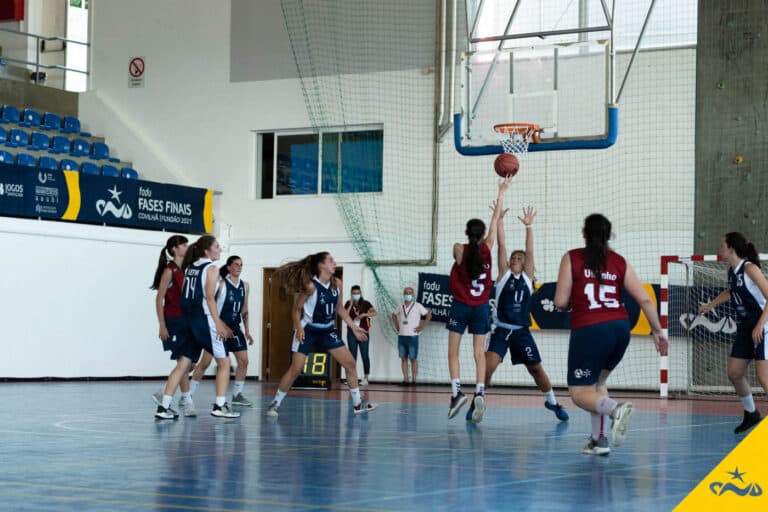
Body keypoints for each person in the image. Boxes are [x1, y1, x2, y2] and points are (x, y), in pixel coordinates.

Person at [554, 214, 667, 455]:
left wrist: (573, 300)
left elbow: (560, 301)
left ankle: (616, 409)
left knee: (579, 393)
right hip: (620, 329)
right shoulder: (619, 262)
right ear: (608, 235)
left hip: (590, 330)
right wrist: (658, 331)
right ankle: (599, 440)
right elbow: (645, 299)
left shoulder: (572, 257)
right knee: (598, 383)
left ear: (584, 234)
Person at [265, 252, 378, 417]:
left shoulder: (337, 283)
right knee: (295, 370)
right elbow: (296, 310)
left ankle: (357, 404)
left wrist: (353, 327)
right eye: (330, 260)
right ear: (321, 265)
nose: (334, 263)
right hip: (308, 329)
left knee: (350, 364)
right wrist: (299, 328)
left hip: (327, 330)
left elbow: (339, 308)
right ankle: (275, 403)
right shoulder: (311, 286)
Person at [485, 205, 568, 422]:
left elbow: (530, 252)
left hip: (521, 332)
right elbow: (502, 245)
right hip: (501, 330)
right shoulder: (503, 276)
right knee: (488, 366)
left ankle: (552, 402)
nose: (515, 259)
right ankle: (479, 399)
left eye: (520, 258)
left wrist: (529, 227)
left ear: (525, 265)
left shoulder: (527, 279)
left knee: (536, 369)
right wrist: (499, 220)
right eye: (513, 258)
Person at [447, 176, 511, 423]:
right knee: (479, 352)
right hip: (481, 307)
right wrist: (501, 192)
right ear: (482, 234)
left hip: (461, 306)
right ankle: (480, 391)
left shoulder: (459, 248)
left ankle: (456, 393)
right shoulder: (487, 248)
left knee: (453, 352)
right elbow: (494, 225)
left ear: (466, 233)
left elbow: (460, 254)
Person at [154, 235, 240, 420]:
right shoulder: (211, 268)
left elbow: (186, 297)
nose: (220, 249)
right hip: (204, 321)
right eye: (217, 246)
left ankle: (163, 407)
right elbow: (209, 299)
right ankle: (220, 405)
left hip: (189, 321)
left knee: (183, 364)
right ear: (207, 251)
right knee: (224, 362)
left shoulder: (190, 267)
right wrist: (218, 323)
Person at [698, 232, 768, 434]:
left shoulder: (750, 269)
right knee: (735, 373)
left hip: (763, 324)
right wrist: (710, 305)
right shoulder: (731, 270)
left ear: (731, 248)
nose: (719, 249)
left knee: (763, 377)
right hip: (746, 326)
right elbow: (731, 291)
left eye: (722, 245)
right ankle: (751, 413)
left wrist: (759, 325)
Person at [189, 256, 255, 407]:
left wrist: (247, 331)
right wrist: (222, 325)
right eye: (236, 265)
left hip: (235, 328)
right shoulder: (221, 284)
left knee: (244, 361)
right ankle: (188, 395)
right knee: (205, 363)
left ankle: (237, 395)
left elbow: (245, 310)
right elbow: (210, 307)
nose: (239, 267)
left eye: (241, 265)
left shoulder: (245, 286)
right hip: (218, 328)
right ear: (229, 267)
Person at [150, 235, 196, 417]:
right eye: (183, 245)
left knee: (187, 364)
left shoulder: (187, 269)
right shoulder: (169, 270)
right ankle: (184, 399)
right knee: (183, 362)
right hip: (174, 320)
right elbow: (159, 299)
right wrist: (162, 325)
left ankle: (165, 393)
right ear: (175, 249)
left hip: (187, 320)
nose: (187, 247)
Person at [392, 287, 431, 386]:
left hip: (413, 336)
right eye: (406, 293)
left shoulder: (418, 306)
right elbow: (393, 315)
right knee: (403, 358)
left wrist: (422, 326)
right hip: (402, 336)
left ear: (413, 295)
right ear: (403, 294)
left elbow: (429, 315)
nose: (408, 294)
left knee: (413, 359)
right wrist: (397, 325)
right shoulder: (400, 306)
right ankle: (406, 380)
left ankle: (414, 380)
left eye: (410, 293)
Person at [344, 285, 377, 385]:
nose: (356, 295)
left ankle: (366, 378)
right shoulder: (348, 303)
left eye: (357, 293)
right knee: (352, 355)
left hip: (363, 332)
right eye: (354, 293)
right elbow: (345, 316)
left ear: (360, 293)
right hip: (351, 332)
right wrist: (350, 305)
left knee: (365, 355)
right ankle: (352, 378)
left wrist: (364, 314)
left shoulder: (366, 303)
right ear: (351, 294)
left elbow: (374, 313)